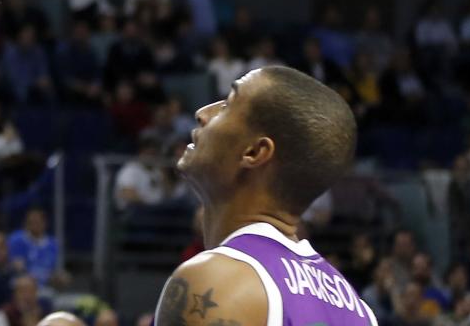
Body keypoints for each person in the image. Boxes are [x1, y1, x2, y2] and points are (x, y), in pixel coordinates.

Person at [154, 67, 368, 326]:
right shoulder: (359, 310)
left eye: (227, 105)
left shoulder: (217, 281)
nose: (202, 113)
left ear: (254, 152)